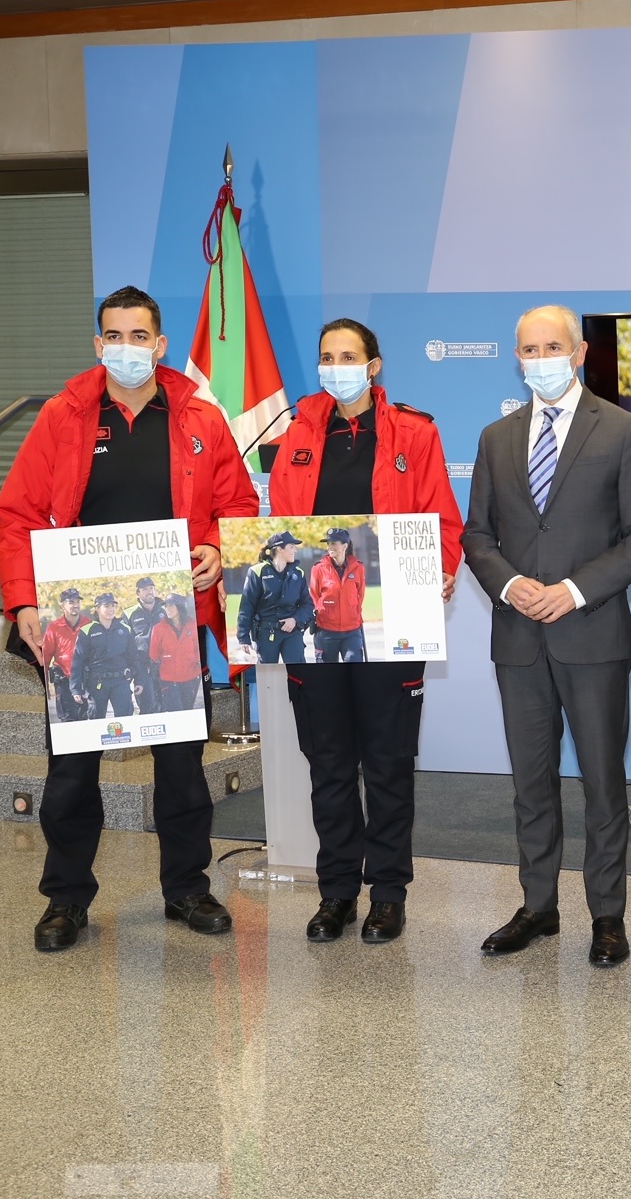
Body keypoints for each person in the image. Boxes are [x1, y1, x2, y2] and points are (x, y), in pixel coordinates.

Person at [0, 284, 257, 953]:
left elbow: (239, 505)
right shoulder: (63, 416)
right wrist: (24, 601)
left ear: (160, 344)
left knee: (182, 770)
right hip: (81, 630)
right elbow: (17, 514)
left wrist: (215, 549)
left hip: (171, 625)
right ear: (97, 344)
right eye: (113, 336)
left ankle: (187, 888)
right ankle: (65, 898)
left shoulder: (200, 417)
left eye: (139, 337)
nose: (126, 348)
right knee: (71, 776)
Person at [463, 304, 631, 967]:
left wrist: (571, 591)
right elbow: (477, 536)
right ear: (517, 357)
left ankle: (607, 915)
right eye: (529, 349)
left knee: (602, 782)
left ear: (578, 353)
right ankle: (538, 906)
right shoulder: (496, 437)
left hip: (592, 634)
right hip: (518, 638)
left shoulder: (623, 430)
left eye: (552, 347)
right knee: (531, 783)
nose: (540, 359)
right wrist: (511, 585)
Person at [267, 317, 463, 945]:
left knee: (387, 765)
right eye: (327, 356)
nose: (336, 367)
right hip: (316, 630)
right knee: (328, 765)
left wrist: (441, 570)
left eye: (349, 356)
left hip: (391, 622)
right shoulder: (297, 433)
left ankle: (387, 894)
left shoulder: (414, 431)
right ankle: (336, 894)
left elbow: (443, 520)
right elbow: (280, 528)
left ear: (373, 366)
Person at [236, 531, 314, 662]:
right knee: (268, 673)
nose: (295, 550)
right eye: (291, 547)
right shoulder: (257, 572)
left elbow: (308, 604)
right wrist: (243, 637)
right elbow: (247, 606)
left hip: (292, 633)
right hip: (266, 633)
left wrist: (295, 619)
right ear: (279, 549)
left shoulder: (298, 574)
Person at [71, 592, 140, 718]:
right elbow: (78, 661)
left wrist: (139, 680)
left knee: (125, 718)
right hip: (96, 682)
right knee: (96, 719)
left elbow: (134, 657)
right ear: (97, 609)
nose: (111, 609)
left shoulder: (125, 629)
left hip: (121, 681)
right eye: (106, 606)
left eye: (113, 606)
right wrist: (76, 689)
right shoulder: (87, 631)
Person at [310, 527, 367, 663]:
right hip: (326, 631)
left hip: (352, 631)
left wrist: (354, 615)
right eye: (328, 543)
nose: (329, 547)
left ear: (345, 546)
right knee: (328, 673)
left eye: (333, 543)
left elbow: (360, 595)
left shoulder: (358, 567)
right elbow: (314, 596)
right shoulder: (318, 569)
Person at [41, 587, 88, 723]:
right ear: (63, 606)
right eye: (71, 602)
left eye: (77, 602)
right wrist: (44, 685)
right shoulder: (54, 627)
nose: (75, 605)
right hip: (63, 680)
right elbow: (45, 657)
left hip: (84, 679)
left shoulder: (89, 624)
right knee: (67, 720)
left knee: (84, 719)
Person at [149, 594, 202, 712]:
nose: (167, 609)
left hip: (190, 677)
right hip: (168, 679)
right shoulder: (158, 628)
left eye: (171, 605)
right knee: (175, 712)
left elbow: (198, 649)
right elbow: (154, 654)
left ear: (180, 606)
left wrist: (197, 665)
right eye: (166, 606)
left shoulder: (193, 625)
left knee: (188, 711)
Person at [124, 576, 165, 712]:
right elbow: (125, 642)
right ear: (138, 592)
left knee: (167, 705)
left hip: (165, 665)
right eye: (145, 589)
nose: (149, 592)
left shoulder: (166, 609)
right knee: (147, 706)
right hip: (142, 666)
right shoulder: (129, 613)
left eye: (151, 588)